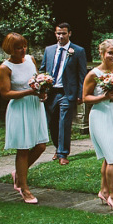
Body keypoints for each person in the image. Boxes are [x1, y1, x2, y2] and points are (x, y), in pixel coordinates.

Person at [0, 33, 48, 204]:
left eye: (24, 46)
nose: (22, 50)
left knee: (41, 146)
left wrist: (42, 92)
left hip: (35, 106)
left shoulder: (31, 60)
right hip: (19, 108)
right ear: (10, 49)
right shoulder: (5, 67)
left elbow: (37, 80)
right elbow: (5, 94)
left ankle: (18, 174)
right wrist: (28, 92)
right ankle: (24, 188)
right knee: (23, 148)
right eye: (18, 48)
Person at [83, 39, 113, 212]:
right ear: (101, 54)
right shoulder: (93, 74)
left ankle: (103, 191)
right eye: (110, 52)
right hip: (100, 116)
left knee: (110, 155)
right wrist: (103, 96)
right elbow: (85, 98)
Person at [40, 22, 87, 165]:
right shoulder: (49, 50)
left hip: (67, 92)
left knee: (64, 122)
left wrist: (81, 94)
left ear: (69, 33)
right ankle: (57, 147)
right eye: (58, 33)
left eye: (64, 33)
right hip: (51, 92)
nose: (61, 36)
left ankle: (63, 153)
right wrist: (41, 87)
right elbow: (43, 70)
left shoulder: (78, 51)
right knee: (52, 123)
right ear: (55, 33)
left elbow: (82, 75)